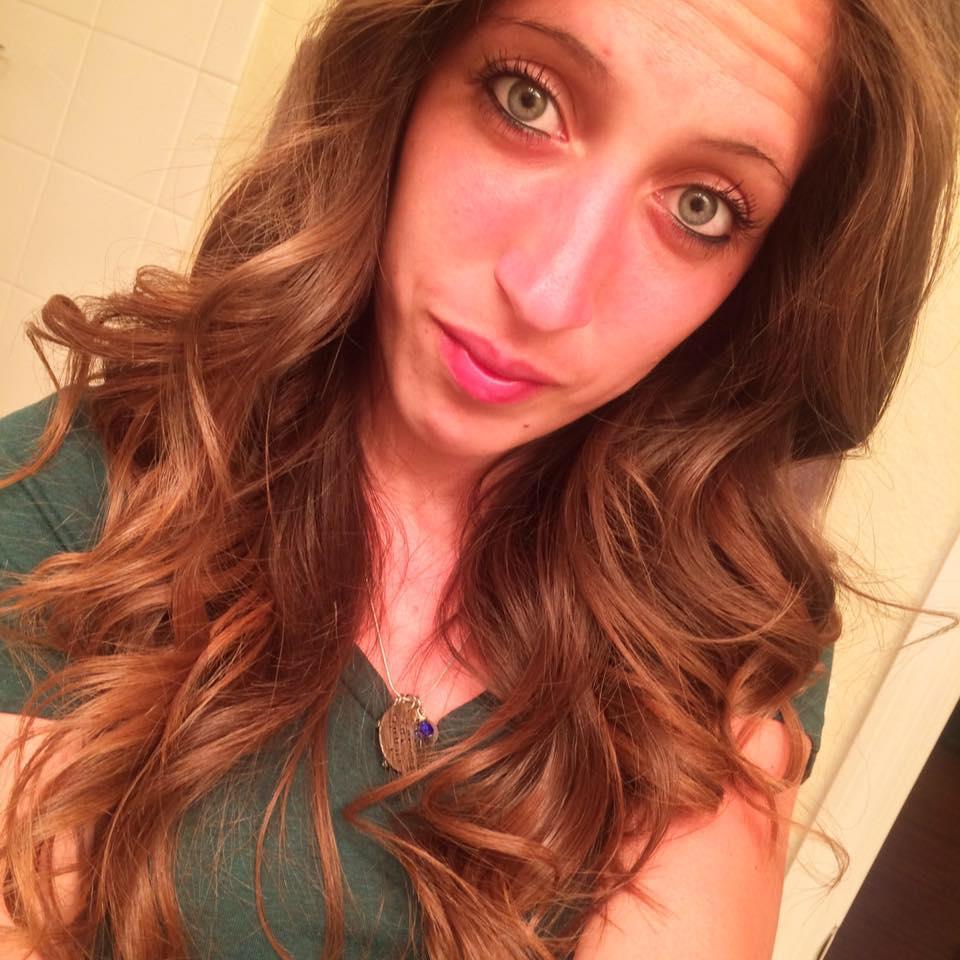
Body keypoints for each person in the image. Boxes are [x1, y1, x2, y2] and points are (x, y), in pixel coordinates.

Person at [0, 0, 957, 957]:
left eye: (701, 206)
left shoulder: (730, 627)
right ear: (409, 73)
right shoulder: (82, 495)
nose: (546, 293)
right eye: (526, 99)